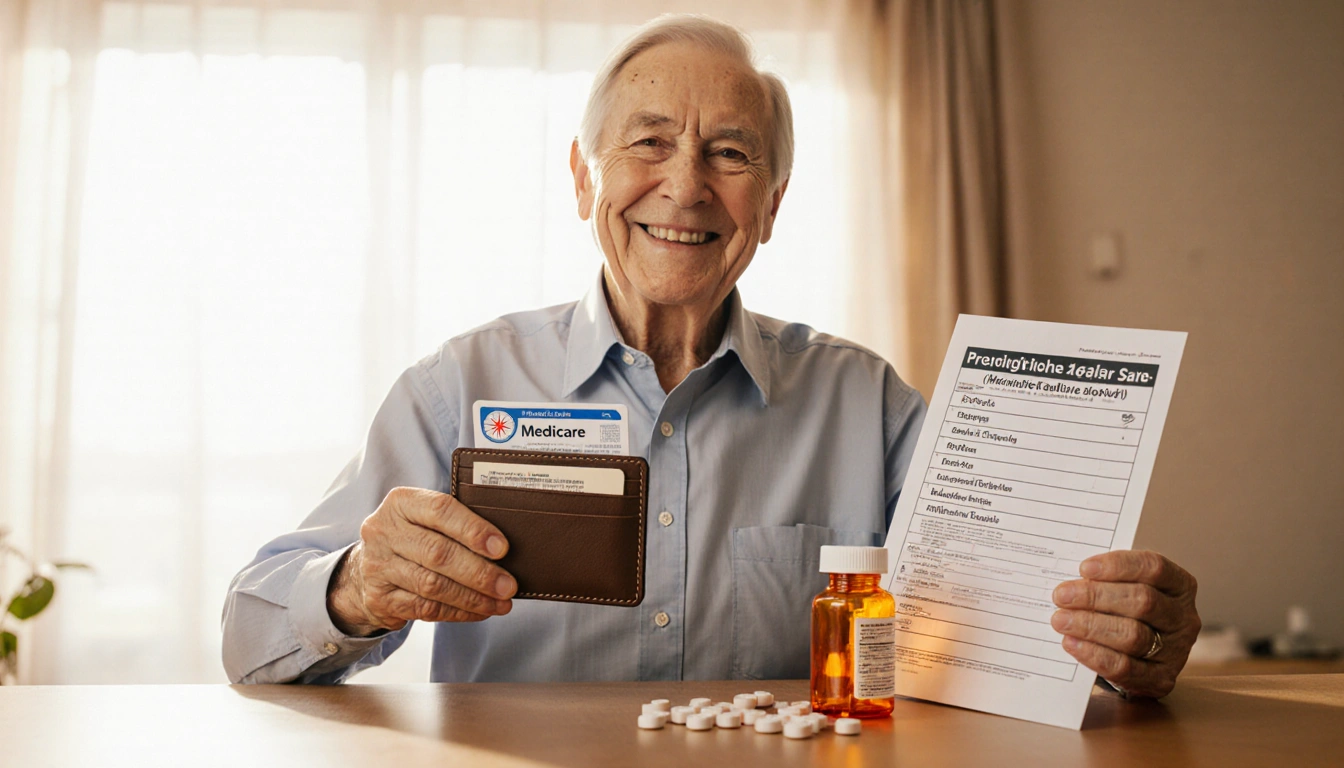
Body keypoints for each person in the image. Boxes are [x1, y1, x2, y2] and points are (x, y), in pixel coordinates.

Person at [222, 14, 1199, 699]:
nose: (685, 188)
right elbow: (248, 639)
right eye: (648, 142)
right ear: (582, 177)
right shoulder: (458, 389)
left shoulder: (869, 404)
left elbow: (1007, 622)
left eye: (730, 154)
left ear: (770, 205)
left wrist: (1119, 645)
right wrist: (353, 587)